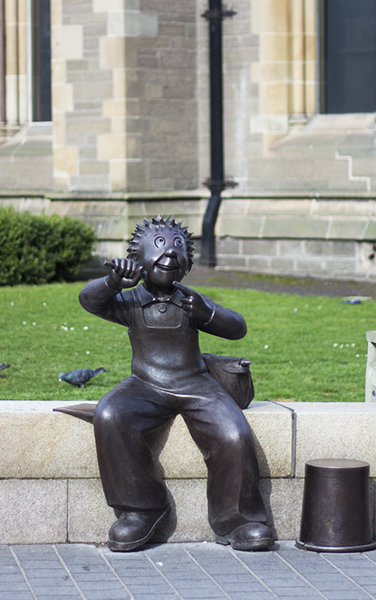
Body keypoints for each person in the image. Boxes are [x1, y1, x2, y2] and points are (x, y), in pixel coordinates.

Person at [78, 216, 274, 552]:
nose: (169, 253)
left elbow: (237, 327)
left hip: (196, 384)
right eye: (159, 245)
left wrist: (207, 312)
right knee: (111, 414)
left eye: (177, 246)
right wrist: (112, 282)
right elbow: (89, 300)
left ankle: (238, 519)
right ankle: (140, 510)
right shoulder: (131, 301)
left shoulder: (191, 301)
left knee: (234, 434)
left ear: (188, 262)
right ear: (138, 257)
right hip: (146, 385)